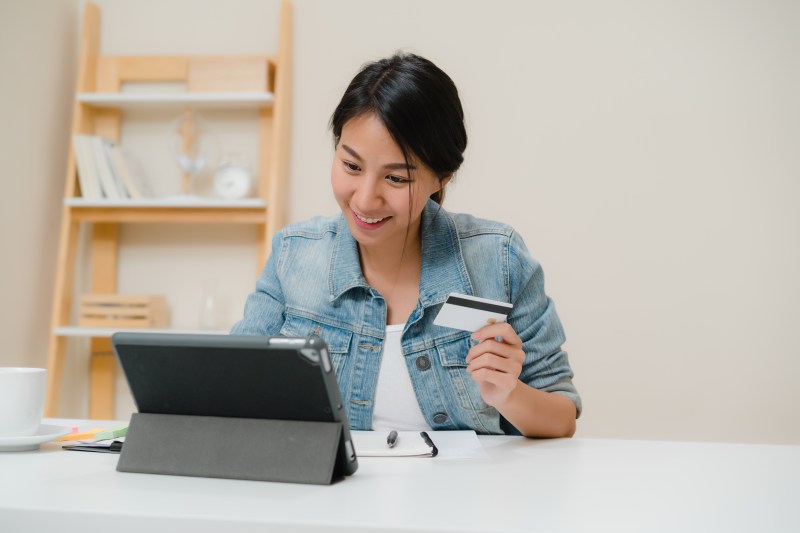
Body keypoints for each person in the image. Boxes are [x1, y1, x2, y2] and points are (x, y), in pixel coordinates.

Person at [232, 53, 580, 437]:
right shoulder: (292, 256)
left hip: (466, 495)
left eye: (396, 179)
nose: (365, 199)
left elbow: (562, 417)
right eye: (351, 166)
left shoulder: (497, 258)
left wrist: (508, 394)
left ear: (441, 178)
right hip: (333, 494)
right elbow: (229, 387)